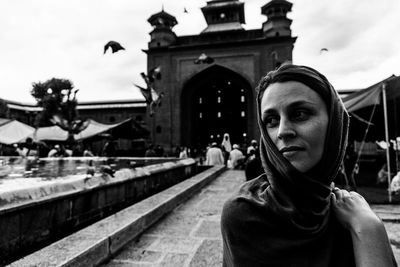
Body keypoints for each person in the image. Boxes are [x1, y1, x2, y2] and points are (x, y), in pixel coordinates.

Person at [221, 64, 396, 266]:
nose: (282, 131)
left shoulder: (351, 213)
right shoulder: (245, 214)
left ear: (334, 124)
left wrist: (368, 228)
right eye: (271, 120)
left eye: (300, 114)